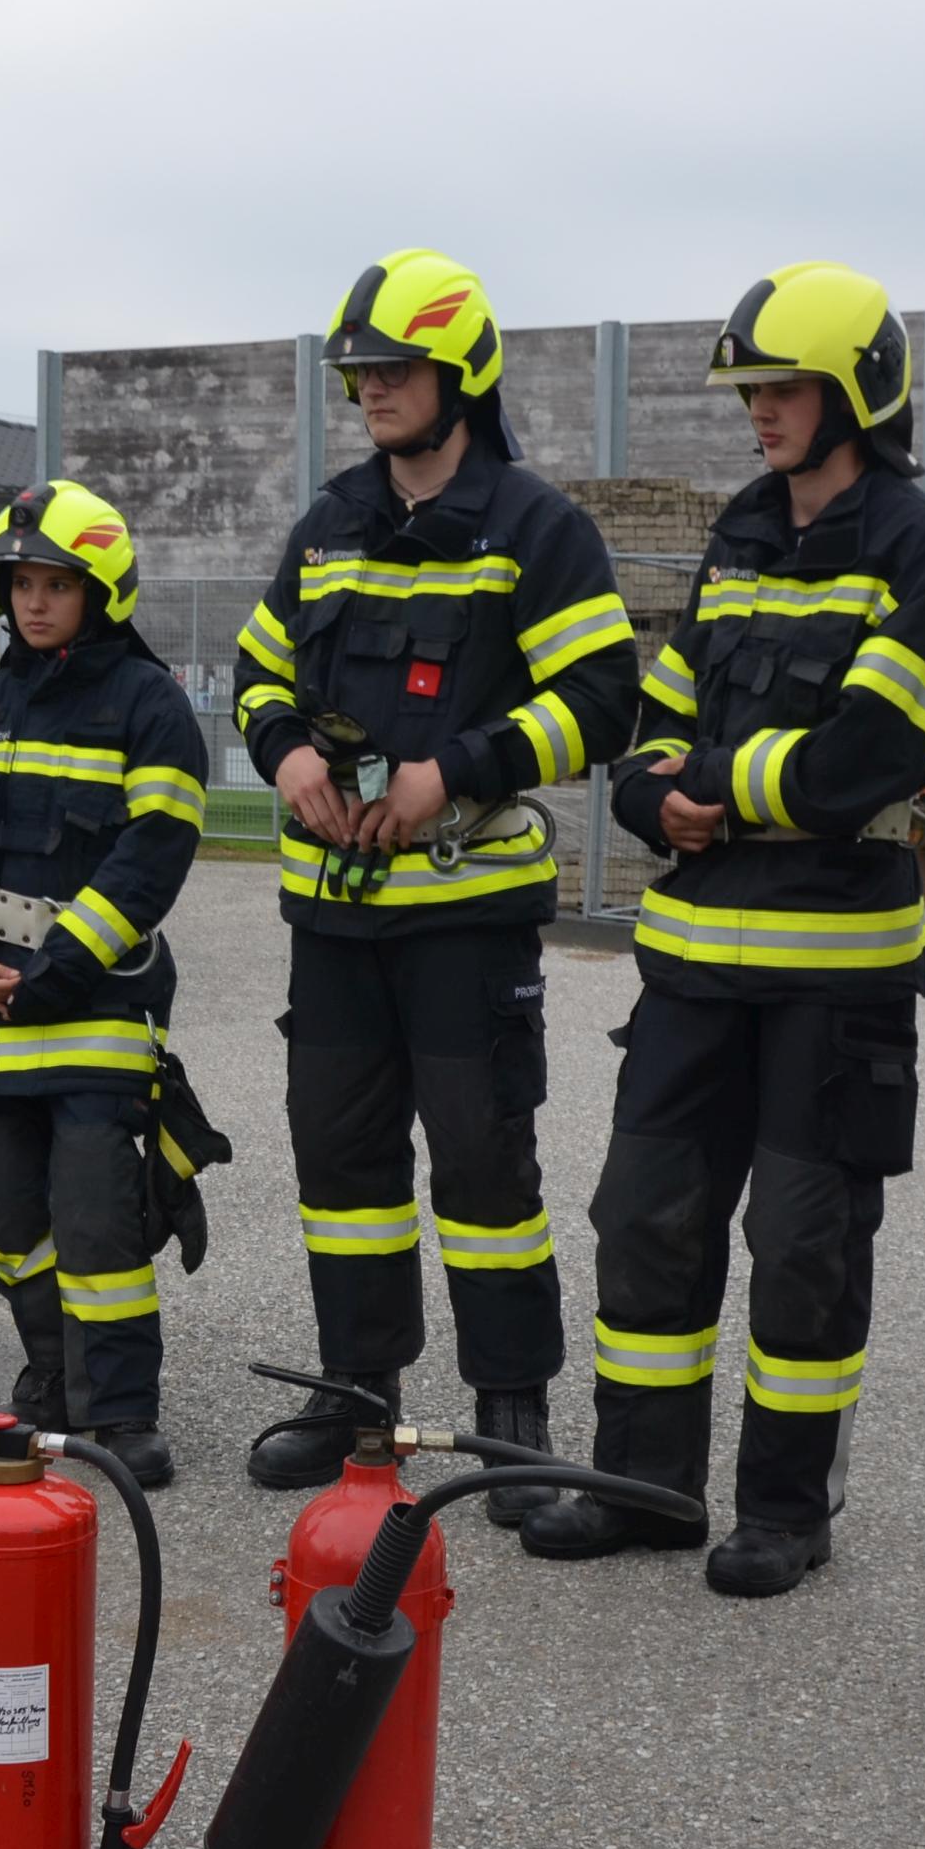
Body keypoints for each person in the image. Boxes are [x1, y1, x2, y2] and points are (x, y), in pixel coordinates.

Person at [518, 262, 925, 1595]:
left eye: (779, 390)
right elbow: (662, 711)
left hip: (829, 983)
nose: (757, 413)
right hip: (688, 968)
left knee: (802, 1248)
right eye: (751, 391)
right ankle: (646, 1486)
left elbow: (880, 749)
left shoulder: (910, 545)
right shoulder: (741, 528)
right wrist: (653, 789)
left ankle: (784, 1508)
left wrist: (720, 788)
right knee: (644, 1219)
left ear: (852, 396)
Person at [232, 249, 635, 1504]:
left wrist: (453, 771)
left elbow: (601, 699)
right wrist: (287, 748)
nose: (370, 390)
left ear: (461, 373)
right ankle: (359, 1398)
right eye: (358, 372)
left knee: (481, 1168)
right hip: (337, 919)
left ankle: (507, 1414)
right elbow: (255, 674)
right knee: (340, 1170)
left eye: (394, 369)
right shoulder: (330, 521)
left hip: (465, 916)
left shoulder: (535, 528)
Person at [0, 481, 214, 1487]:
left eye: (56, 584)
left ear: (103, 592)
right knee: (10, 1227)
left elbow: (149, 855)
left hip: (89, 1013)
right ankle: (51, 1376)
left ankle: (120, 1413)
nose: (33, 602)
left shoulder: (149, 707)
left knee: (95, 1227)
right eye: (19, 583)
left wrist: (55, 967)